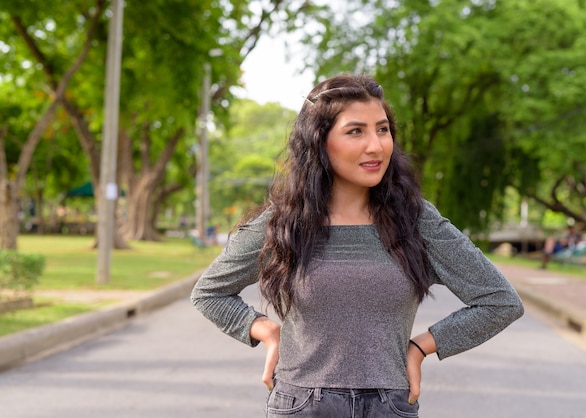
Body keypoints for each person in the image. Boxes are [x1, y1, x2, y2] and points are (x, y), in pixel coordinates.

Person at [191, 74, 524, 417]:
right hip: (302, 404)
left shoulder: (415, 219)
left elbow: (499, 300)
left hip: (389, 406)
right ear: (319, 142)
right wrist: (267, 332)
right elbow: (209, 292)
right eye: (355, 131)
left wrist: (421, 347)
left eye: (382, 129)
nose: (376, 145)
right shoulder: (284, 222)